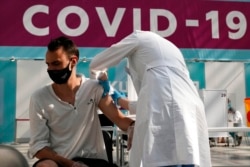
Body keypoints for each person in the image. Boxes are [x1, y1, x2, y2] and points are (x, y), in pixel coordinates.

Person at [90, 30, 212, 167]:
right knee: (188, 155)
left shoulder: (138, 37)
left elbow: (96, 63)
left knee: (160, 158)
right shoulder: (172, 50)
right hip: (191, 107)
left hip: (165, 108)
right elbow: (148, 102)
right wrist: (116, 96)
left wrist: (100, 81)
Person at [28, 36, 135, 167]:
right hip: (61, 162)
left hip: (93, 161)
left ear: (73, 61)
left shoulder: (93, 88)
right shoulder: (39, 97)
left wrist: (134, 126)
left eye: (56, 63)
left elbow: (119, 119)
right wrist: (71, 164)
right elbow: (38, 147)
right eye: (48, 64)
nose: (50, 69)